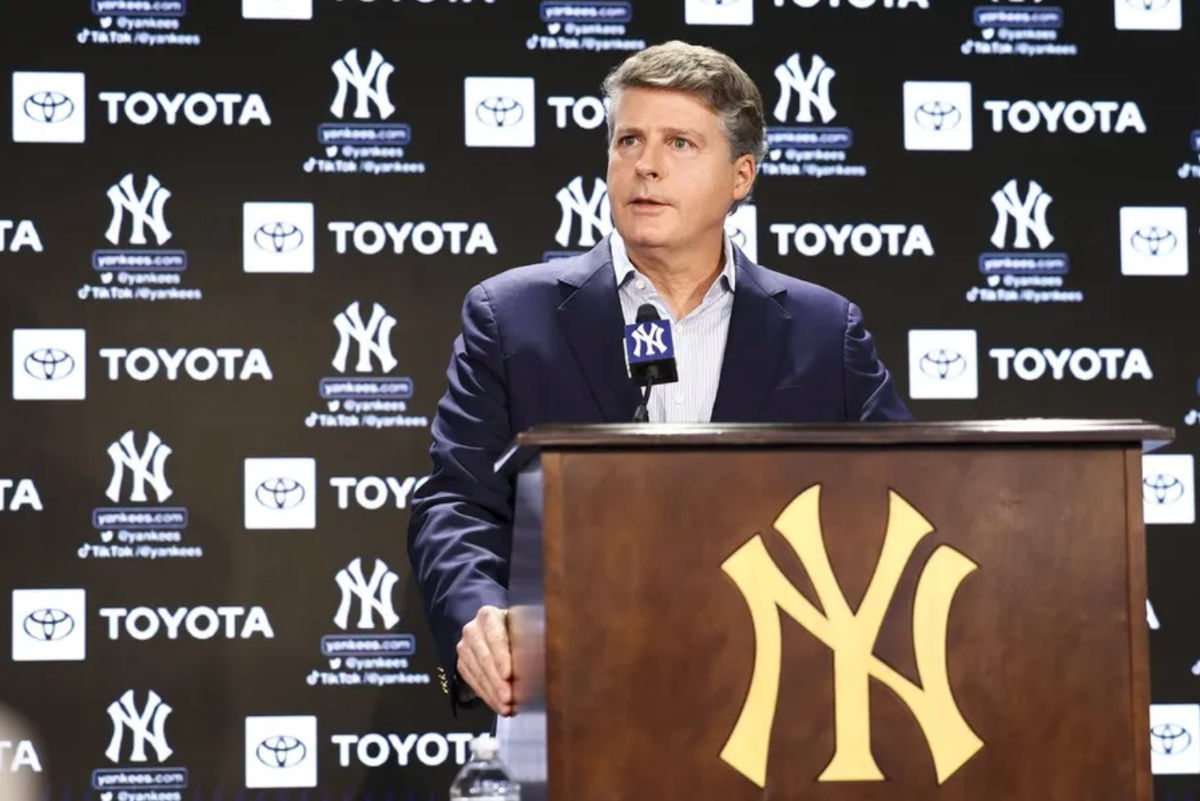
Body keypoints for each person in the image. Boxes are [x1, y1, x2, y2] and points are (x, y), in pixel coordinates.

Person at [408, 40, 912, 718]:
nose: (645, 164)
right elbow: (457, 501)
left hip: (781, 705)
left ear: (741, 176)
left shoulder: (823, 332)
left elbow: (904, 505)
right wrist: (479, 615)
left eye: (679, 143)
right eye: (629, 141)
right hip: (579, 697)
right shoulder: (511, 317)